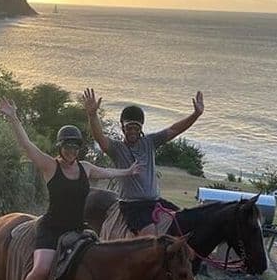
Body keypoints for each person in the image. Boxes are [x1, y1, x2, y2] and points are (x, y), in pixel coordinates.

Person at [0, 98, 141, 280]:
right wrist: (13, 117)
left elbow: (107, 171)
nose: (71, 151)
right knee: (42, 268)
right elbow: (26, 145)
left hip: (77, 228)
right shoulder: (49, 166)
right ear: (59, 147)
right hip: (51, 228)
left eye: (74, 147)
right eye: (67, 146)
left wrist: (129, 171)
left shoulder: (85, 167)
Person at [83, 87, 204, 236]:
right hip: (132, 206)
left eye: (136, 127)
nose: (132, 131)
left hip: (154, 202)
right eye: (129, 127)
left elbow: (174, 129)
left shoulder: (150, 142)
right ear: (122, 127)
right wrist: (92, 115)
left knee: (183, 223)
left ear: (141, 128)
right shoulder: (116, 148)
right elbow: (100, 138)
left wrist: (195, 115)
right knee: (150, 236)